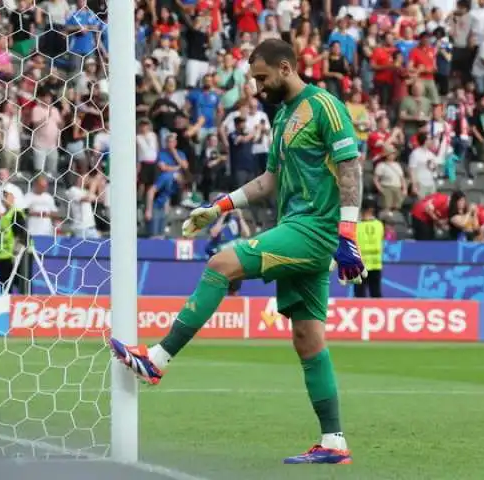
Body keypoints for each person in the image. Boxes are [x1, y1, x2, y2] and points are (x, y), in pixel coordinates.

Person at [109, 39, 363, 465]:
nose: (257, 87)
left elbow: (351, 166)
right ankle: (333, 441)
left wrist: (347, 233)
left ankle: (156, 359)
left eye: (262, 78)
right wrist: (218, 208)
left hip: (314, 230)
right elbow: (269, 182)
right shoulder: (282, 117)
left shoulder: (325, 107)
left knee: (221, 263)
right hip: (295, 227)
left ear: (286, 67)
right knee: (307, 339)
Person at [205, 201, 252, 295]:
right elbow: (214, 233)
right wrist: (222, 216)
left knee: (234, 288)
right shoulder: (215, 220)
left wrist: (240, 217)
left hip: (233, 259)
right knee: (217, 289)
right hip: (219, 259)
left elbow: (247, 234)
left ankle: (234, 306)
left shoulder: (235, 220)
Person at [0, 185, 31, 294]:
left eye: (6, 195)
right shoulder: (5, 215)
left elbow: (22, 236)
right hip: (4, 255)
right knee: (5, 287)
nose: (3, 198)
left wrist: (17, 255)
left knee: (21, 285)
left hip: (15, 257)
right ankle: (6, 308)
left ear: (13, 197)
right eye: (3, 195)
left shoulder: (16, 214)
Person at [354, 199, 383, 298]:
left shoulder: (357, 226)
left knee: (359, 294)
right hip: (376, 263)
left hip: (360, 264)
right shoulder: (379, 225)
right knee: (376, 293)